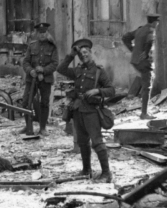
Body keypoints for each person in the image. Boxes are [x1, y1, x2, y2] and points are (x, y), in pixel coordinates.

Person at [56, 38, 115, 183]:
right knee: (82, 142)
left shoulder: (99, 71)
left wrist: (97, 91)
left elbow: (111, 90)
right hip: (78, 110)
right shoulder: (78, 70)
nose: (84, 56)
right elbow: (60, 69)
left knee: (97, 142)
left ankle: (106, 173)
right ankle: (86, 170)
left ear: (90, 52)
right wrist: (71, 55)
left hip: (92, 111)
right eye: (81, 54)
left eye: (85, 52)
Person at [20, 22, 58, 136]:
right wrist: (31, 71)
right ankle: (28, 126)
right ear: (37, 34)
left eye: (44, 32)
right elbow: (25, 62)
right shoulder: (31, 45)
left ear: (47, 32)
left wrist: (43, 71)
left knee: (44, 103)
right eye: (40, 32)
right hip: (31, 79)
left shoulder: (52, 47)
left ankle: (42, 127)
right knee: (26, 102)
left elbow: (55, 63)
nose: (42, 34)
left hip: (45, 80)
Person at [123, 13, 159, 120]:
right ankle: (144, 113)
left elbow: (125, 37)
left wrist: (133, 50)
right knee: (147, 86)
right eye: (157, 22)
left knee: (147, 82)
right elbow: (149, 42)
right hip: (144, 62)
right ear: (154, 22)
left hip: (136, 61)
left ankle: (146, 108)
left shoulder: (140, 29)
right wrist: (146, 53)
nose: (157, 24)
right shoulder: (151, 30)